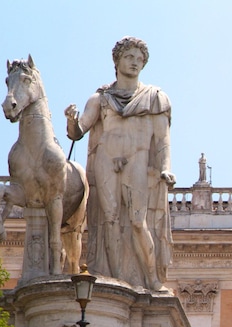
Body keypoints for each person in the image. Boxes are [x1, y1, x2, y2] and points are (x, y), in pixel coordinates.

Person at [65, 36, 174, 291]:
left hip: (137, 160)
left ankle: (152, 279)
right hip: (105, 160)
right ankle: (114, 281)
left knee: (138, 222)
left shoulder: (155, 98)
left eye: (139, 59)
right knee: (108, 221)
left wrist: (166, 167)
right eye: (130, 57)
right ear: (117, 61)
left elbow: (162, 141)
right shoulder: (101, 98)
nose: (135, 63)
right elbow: (79, 131)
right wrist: (71, 120)